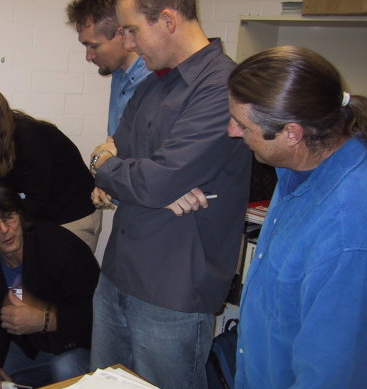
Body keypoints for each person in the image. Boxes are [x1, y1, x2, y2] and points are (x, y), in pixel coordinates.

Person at [88, 0, 251, 387]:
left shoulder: (223, 87)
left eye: (131, 29)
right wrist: (120, 169)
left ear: (167, 20)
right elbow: (125, 161)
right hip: (116, 274)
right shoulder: (151, 85)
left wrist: (107, 167)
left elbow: (152, 180)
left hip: (172, 290)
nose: (126, 42)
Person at [227, 46, 367, 388]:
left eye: (243, 125)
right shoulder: (295, 171)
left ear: (292, 134)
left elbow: (330, 375)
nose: (231, 131)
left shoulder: (348, 230)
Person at [0, 178, 100, 389]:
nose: (4, 229)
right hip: (33, 348)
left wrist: (45, 320)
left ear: (19, 213)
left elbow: (98, 317)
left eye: (8, 216)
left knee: (65, 369)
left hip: (76, 345)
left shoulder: (60, 247)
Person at [0, 83, 101, 251]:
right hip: (45, 214)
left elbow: (37, 200)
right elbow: (0, 192)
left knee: (64, 273)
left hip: (73, 214)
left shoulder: (32, 136)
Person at [66, 0, 151, 136]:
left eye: (94, 46)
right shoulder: (118, 74)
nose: (89, 57)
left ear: (121, 35)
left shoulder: (154, 78)